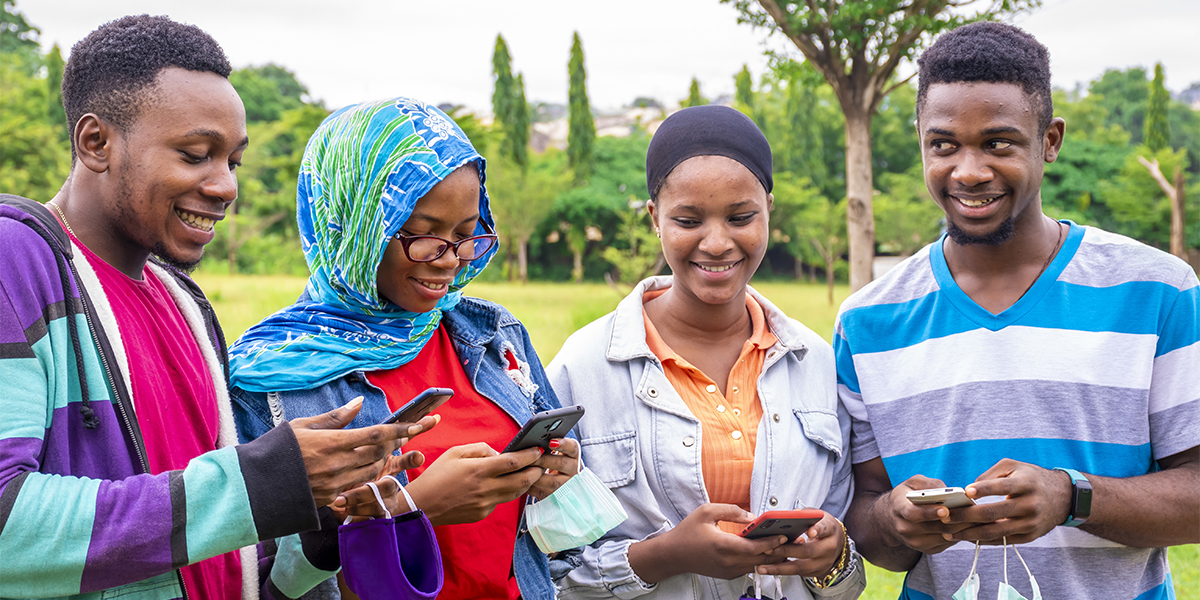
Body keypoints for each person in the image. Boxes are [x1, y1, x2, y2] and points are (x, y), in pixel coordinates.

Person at [0, 15, 433, 600]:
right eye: (196, 154)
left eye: (232, 161)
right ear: (96, 143)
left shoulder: (185, 304)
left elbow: (217, 557)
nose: (225, 185)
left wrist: (319, 524)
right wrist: (258, 482)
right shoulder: (17, 263)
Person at [836, 21, 1199, 600]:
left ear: (1049, 140)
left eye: (999, 143)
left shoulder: (1157, 291)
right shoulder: (868, 322)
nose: (969, 171)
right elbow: (864, 520)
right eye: (944, 144)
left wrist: (1072, 497)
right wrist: (894, 521)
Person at [227, 97, 581, 600]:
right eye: (423, 234)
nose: (449, 261)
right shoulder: (268, 379)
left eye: (465, 235)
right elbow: (258, 584)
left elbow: (555, 537)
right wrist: (410, 508)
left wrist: (554, 473)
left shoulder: (492, 333)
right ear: (354, 224)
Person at [546, 105, 866, 599]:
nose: (717, 243)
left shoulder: (815, 361)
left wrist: (835, 553)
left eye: (741, 217)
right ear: (655, 218)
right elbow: (545, 570)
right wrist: (666, 554)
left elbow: (847, 561)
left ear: (768, 211)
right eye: (688, 220)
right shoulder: (582, 368)